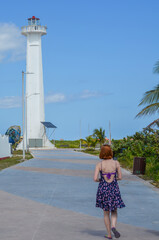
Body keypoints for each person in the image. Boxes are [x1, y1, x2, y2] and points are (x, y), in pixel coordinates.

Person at [94, 144, 125, 239]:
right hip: (114, 188)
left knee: (106, 212)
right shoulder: (116, 163)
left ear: (101, 153)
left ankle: (109, 234)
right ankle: (113, 226)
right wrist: (114, 179)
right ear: (111, 152)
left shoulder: (100, 164)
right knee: (114, 210)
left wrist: (101, 180)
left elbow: (95, 178)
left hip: (103, 189)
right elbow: (120, 177)